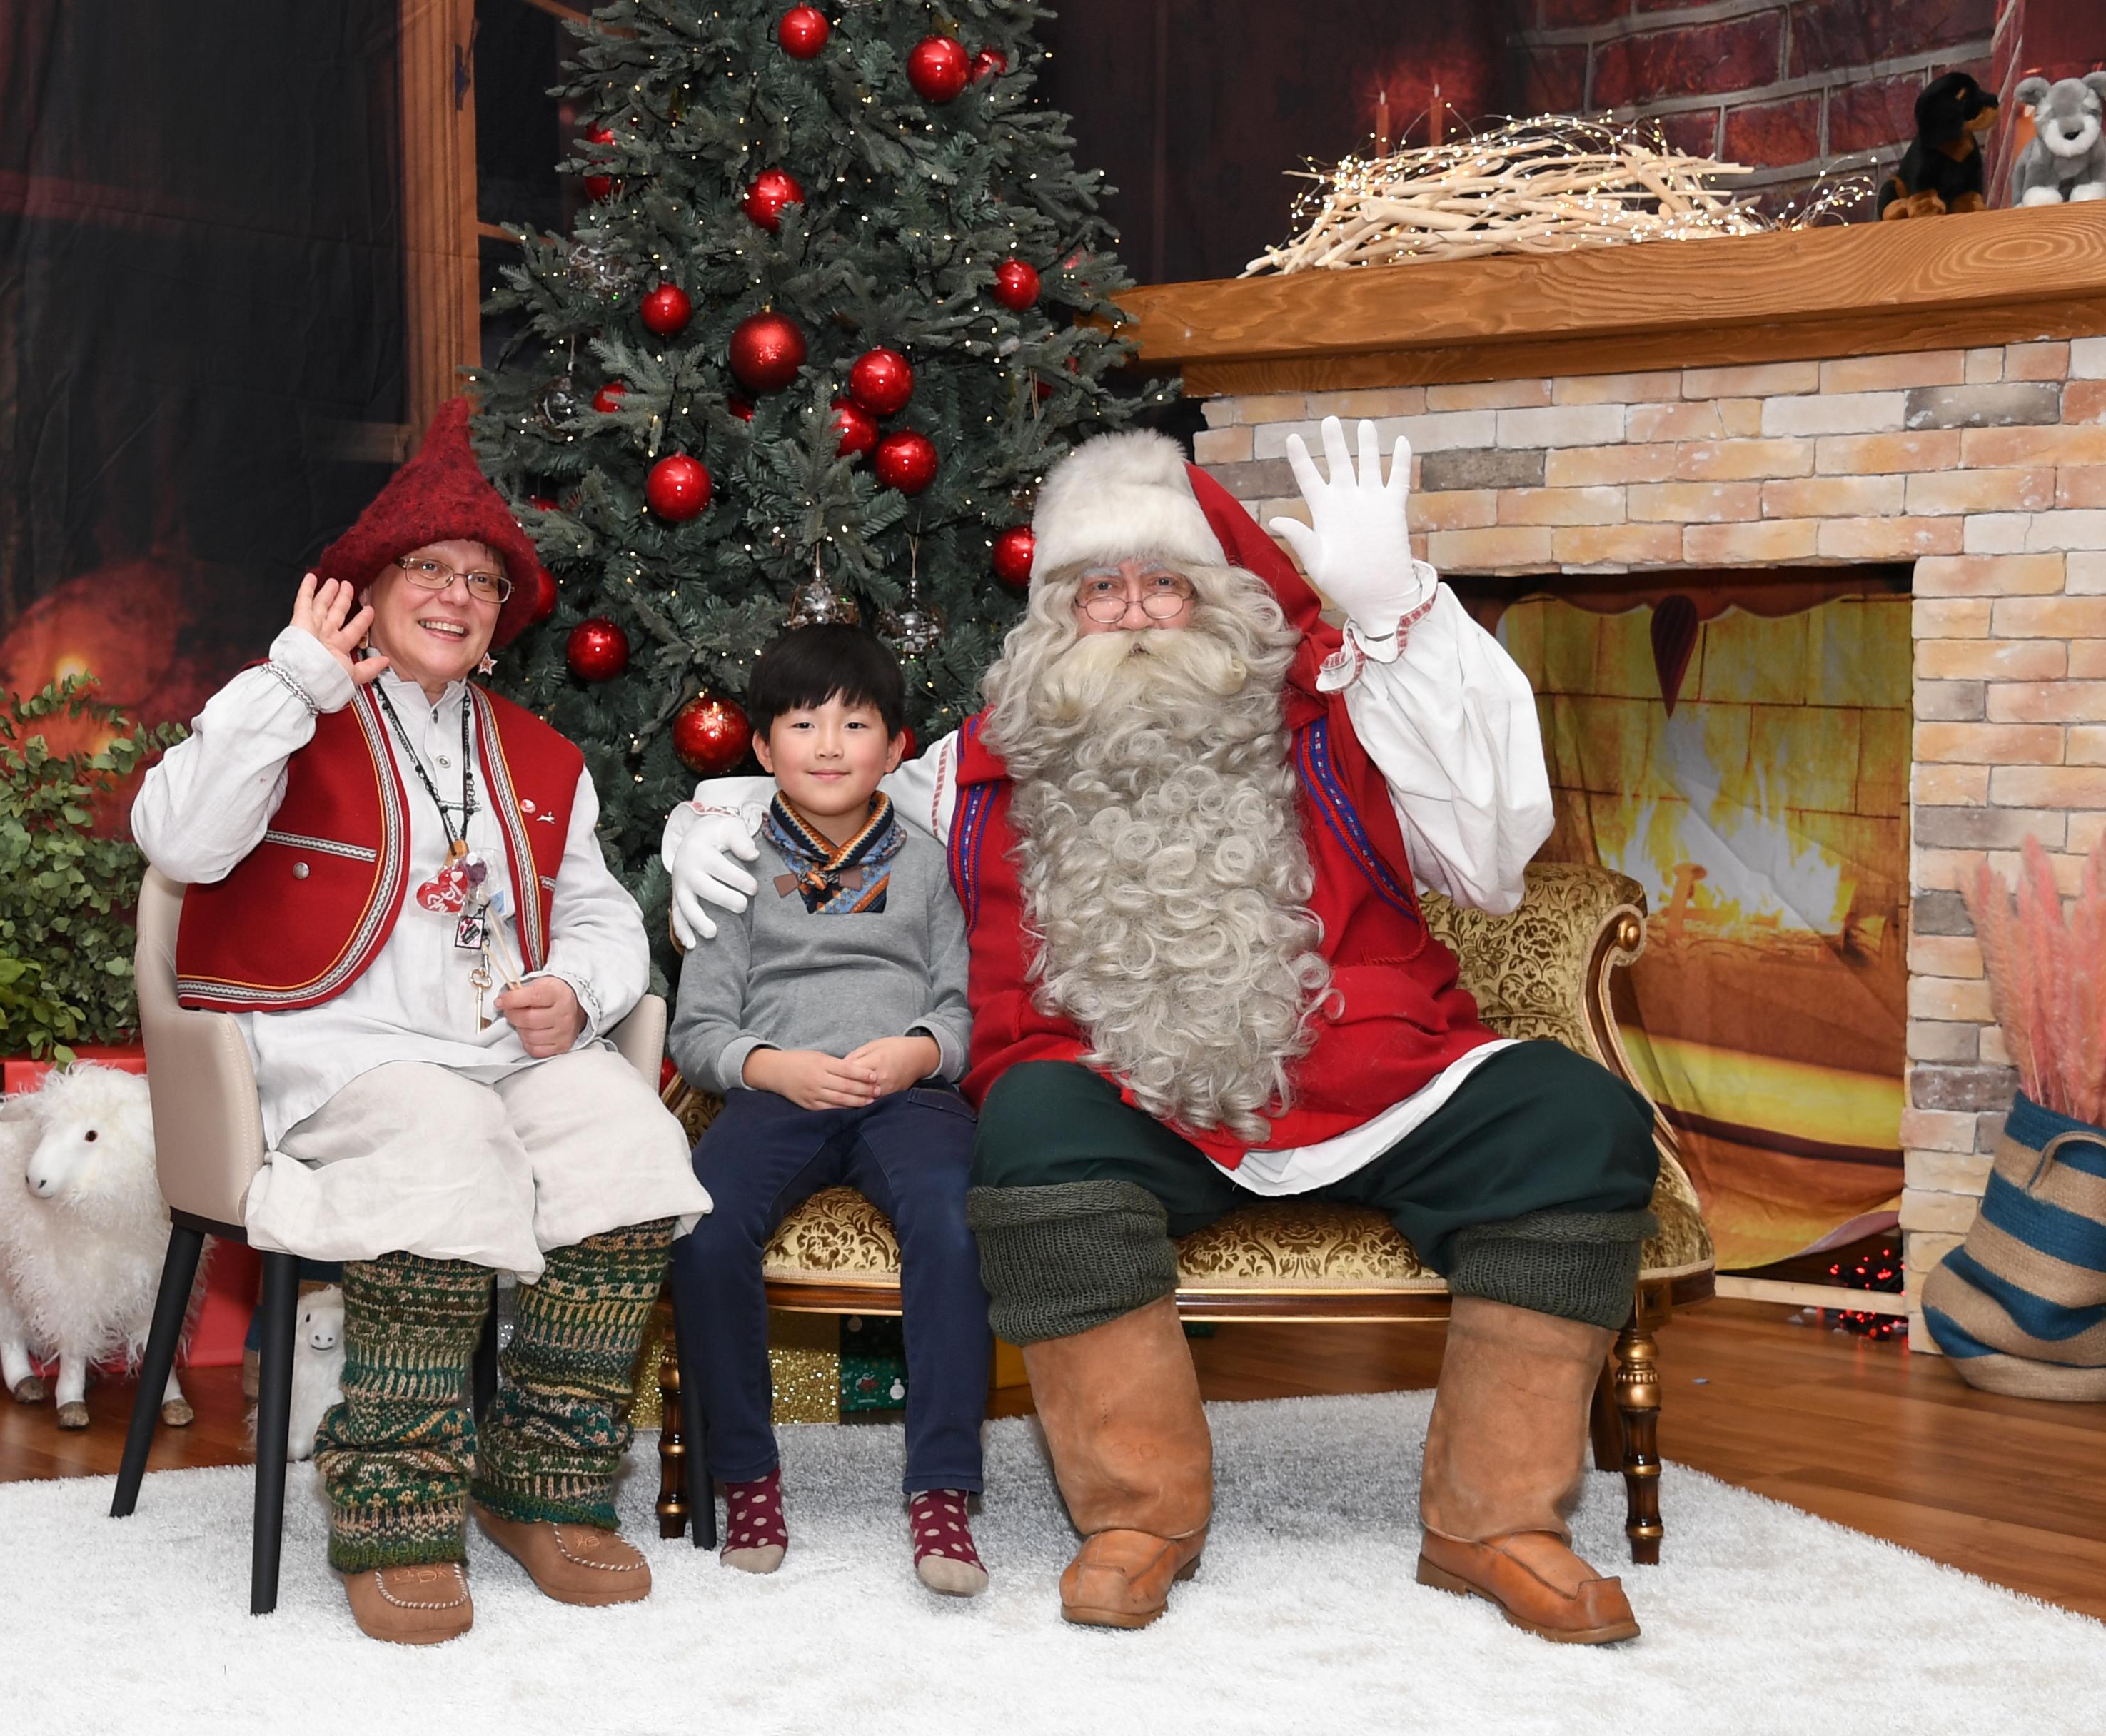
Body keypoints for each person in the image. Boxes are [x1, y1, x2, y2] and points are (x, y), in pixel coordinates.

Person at [665, 420, 1659, 1642]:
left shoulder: (1341, 722)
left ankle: (1494, 1522)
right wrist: (705, 825)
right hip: (1124, 1096)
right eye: (1099, 588)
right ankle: (1139, 1514)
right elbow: (821, 784)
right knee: (1030, 1122)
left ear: (1219, 600)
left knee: (1577, 1117)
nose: (1134, 613)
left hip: (1369, 1075)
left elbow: (1495, 859)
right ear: (1052, 619)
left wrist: (1398, 611)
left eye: (1164, 582)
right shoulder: (975, 770)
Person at [132, 400, 710, 1646]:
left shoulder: (543, 756)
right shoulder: (291, 708)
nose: (457, 595)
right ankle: (392, 1499)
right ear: (368, 588)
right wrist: (292, 681)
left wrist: (585, 994)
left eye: (483, 581)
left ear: (504, 622)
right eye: (429, 569)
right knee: (441, 1141)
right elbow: (176, 840)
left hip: (503, 1051)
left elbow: (607, 921)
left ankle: (541, 1486)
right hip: (333, 1058)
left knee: (628, 1143)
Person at [666, 624, 989, 1596]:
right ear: (764, 748)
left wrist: (917, 1053)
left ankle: (941, 1492)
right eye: (803, 723)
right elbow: (699, 1030)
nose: (830, 743)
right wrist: (773, 1068)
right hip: (782, 1092)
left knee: (950, 1221)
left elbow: (959, 1011)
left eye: (856, 723)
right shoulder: (734, 863)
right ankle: (748, 1475)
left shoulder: (927, 865)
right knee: (705, 1230)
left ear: (895, 746)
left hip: (908, 1099)